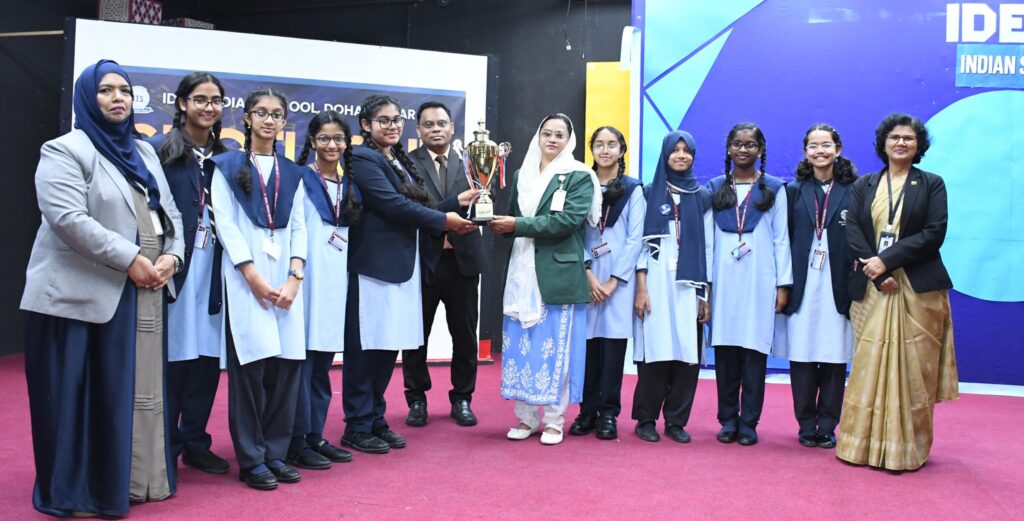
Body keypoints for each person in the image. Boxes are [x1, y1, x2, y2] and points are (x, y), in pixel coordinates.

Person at [21, 59, 183, 517]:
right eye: (106, 90)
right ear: (87, 98)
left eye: (124, 91)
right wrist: (131, 258)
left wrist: (173, 256)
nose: (118, 99)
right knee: (76, 401)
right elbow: (68, 219)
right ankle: (78, 493)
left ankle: (131, 481)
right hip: (77, 298)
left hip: (142, 291)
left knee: (129, 394)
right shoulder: (64, 150)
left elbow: (169, 212)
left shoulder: (144, 151)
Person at [342, 95, 476, 454]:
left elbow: (416, 205)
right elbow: (392, 204)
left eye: (396, 120)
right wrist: (444, 220)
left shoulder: (396, 159)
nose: (392, 126)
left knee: (388, 348)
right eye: (383, 120)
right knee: (367, 349)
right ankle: (357, 424)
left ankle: (375, 418)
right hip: (374, 267)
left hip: (402, 268)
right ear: (366, 125)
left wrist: (454, 204)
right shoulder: (363, 157)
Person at [837, 113, 958, 471]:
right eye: (895, 137)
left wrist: (886, 260)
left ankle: (906, 451)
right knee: (868, 366)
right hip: (874, 287)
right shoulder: (865, 184)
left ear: (919, 145)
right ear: (883, 143)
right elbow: (854, 229)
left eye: (908, 138)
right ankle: (860, 447)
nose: (901, 143)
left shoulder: (932, 184)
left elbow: (934, 232)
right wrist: (877, 272)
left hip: (918, 288)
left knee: (913, 373)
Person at [209, 87, 307, 490]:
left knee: (286, 370)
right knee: (250, 372)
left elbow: (299, 227)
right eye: (261, 113)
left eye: (277, 114)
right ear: (246, 118)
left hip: (286, 282)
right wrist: (251, 276)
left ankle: (275, 453)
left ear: (285, 122)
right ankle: (251, 459)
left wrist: (295, 277)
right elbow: (225, 225)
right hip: (245, 279)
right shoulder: (225, 166)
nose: (269, 120)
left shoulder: (294, 172)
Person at [489, 113, 601, 446]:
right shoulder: (522, 173)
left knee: (556, 350)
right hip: (521, 270)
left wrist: (516, 225)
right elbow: (514, 215)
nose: (552, 139)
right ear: (538, 136)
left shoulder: (580, 175)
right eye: (547, 133)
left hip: (557, 273)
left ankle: (554, 420)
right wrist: (493, 222)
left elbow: (567, 221)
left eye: (559, 135)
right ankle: (526, 417)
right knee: (521, 347)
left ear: (570, 140)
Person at [148, 71, 231, 475]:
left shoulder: (227, 157)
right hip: (174, 267)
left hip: (215, 269)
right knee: (172, 358)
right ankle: (164, 445)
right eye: (200, 99)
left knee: (206, 358)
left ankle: (195, 441)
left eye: (215, 100)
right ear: (182, 103)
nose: (208, 107)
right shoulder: (158, 151)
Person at [707, 122, 791, 447]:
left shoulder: (774, 189)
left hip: (760, 281)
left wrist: (783, 285)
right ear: (728, 148)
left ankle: (749, 422)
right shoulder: (715, 188)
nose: (743, 149)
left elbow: (781, 239)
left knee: (754, 354)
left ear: (760, 150)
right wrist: (706, 287)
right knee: (726, 352)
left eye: (750, 144)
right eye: (738, 144)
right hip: (724, 283)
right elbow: (708, 242)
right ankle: (728, 419)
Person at [403, 101, 485, 428]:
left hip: (463, 261)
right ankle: (416, 399)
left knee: (464, 336)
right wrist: (452, 207)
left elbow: (486, 202)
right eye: (428, 124)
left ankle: (462, 398)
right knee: (415, 335)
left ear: (452, 127)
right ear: (418, 130)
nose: (436, 129)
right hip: (423, 261)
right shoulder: (406, 164)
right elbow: (411, 208)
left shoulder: (474, 162)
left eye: (441, 123)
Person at [776, 124, 857, 449]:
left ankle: (828, 425)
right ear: (805, 152)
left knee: (835, 357)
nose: (820, 151)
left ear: (838, 149)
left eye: (826, 145)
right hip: (803, 284)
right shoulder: (793, 191)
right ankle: (806, 424)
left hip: (838, 286)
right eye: (813, 145)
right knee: (803, 355)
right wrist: (782, 284)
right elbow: (783, 240)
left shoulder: (855, 190)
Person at [287, 111, 360, 470]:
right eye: (325, 138)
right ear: (312, 141)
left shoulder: (350, 184)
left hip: (335, 284)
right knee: (302, 366)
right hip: (306, 281)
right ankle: (295, 440)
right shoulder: (301, 179)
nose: (332, 145)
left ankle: (315, 435)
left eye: (339, 138)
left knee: (322, 366)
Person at [630, 130, 712, 444]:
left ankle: (676, 421)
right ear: (665, 155)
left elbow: (708, 247)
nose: (681, 155)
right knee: (656, 351)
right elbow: (640, 244)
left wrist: (705, 294)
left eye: (686, 150)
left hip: (689, 285)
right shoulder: (649, 192)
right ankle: (646, 419)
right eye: (675, 150)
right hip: (655, 283)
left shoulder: (701, 196)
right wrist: (641, 287)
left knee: (686, 353)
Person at [567, 126, 644, 440]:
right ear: (592, 149)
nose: (605, 150)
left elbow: (635, 238)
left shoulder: (633, 189)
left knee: (612, 349)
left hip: (618, 282)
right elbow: (573, 232)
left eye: (612, 144)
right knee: (587, 348)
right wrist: (587, 274)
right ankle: (586, 411)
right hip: (585, 277)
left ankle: (608, 413)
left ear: (622, 150)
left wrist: (613, 281)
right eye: (599, 144)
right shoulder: (581, 184)